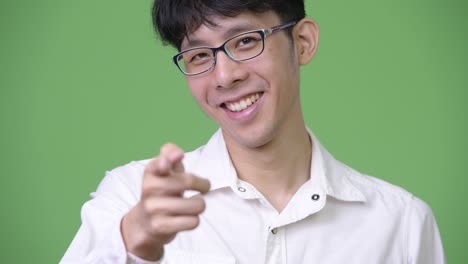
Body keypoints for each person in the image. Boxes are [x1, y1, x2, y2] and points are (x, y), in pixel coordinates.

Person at [61, 0, 446, 263]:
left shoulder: (403, 223)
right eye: (199, 55)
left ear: (303, 42)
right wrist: (128, 245)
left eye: (245, 41)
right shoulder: (130, 200)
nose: (225, 76)